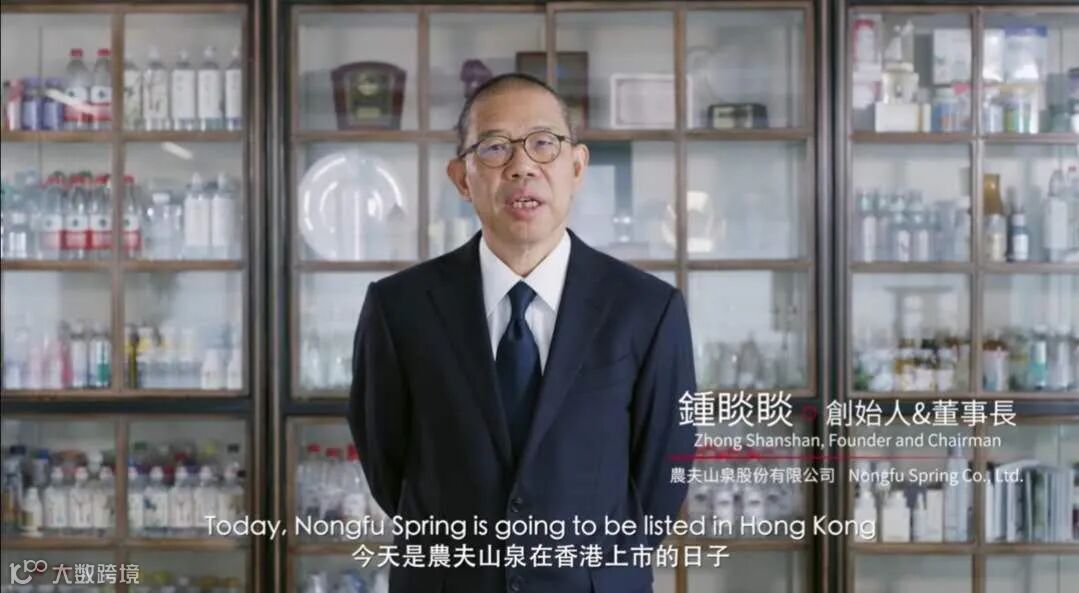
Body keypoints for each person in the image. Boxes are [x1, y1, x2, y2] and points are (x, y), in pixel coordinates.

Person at [348, 73, 696, 593]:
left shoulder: (647, 310)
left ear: (576, 166)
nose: (522, 166)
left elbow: (662, 474)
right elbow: (386, 463)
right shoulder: (399, 308)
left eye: (543, 143)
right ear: (462, 178)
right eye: (494, 148)